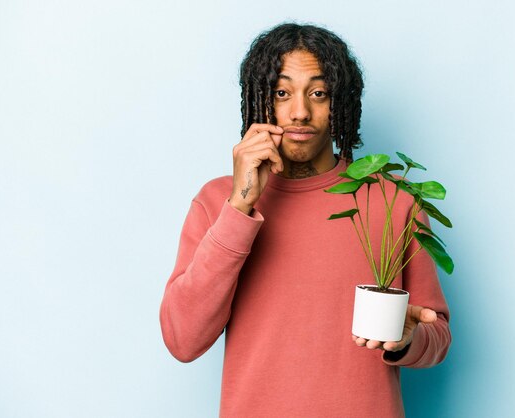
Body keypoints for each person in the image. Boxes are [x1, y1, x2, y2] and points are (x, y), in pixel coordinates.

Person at [160, 22, 451, 417]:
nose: (300, 112)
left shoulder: (394, 198)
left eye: (318, 93)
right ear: (261, 101)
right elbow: (183, 339)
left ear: (341, 103)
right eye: (282, 93)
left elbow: (437, 334)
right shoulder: (217, 202)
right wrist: (241, 204)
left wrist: (408, 338)